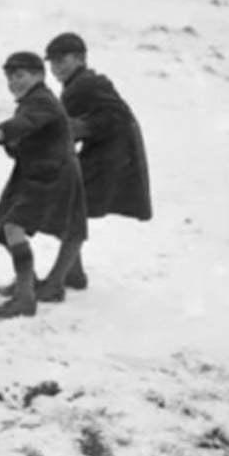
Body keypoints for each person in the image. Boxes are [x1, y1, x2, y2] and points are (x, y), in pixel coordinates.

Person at [0, 52, 87, 318]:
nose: (14, 82)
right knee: (3, 225)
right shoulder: (30, 101)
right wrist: (10, 143)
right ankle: (28, 281)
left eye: (20, 76)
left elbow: (27, 123)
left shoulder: (43, 101)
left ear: (38, 75)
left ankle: (25, 297)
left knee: (13, 226)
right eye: (10, 77)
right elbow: (26, 137)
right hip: (34, 173)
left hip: (53, 174)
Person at [43, 32, 152, 290]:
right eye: (52, 62)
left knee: (70, 206)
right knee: (69, 205)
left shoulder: (82, 86)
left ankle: (57, 281)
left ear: (80, 59)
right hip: (114, 150)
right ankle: (72, 274)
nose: (56, 67)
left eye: (62, 60)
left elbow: (72, 126)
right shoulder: (85, 83)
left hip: (111, 154)